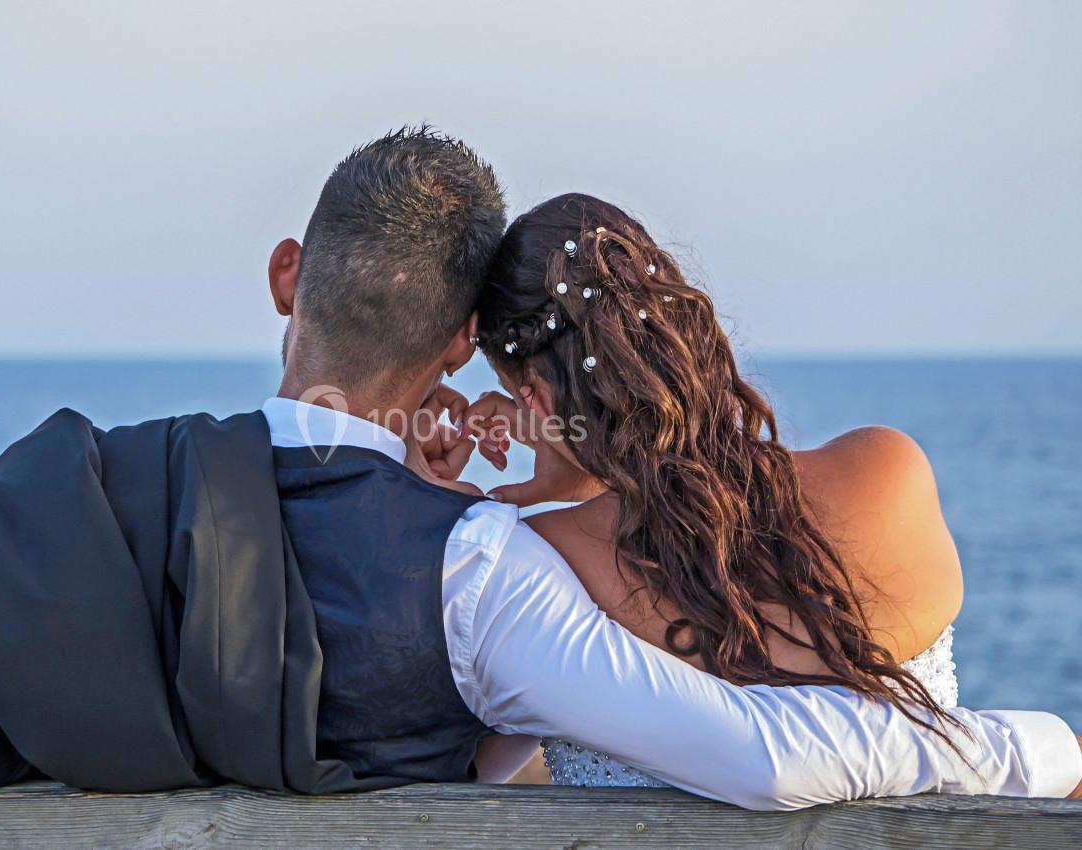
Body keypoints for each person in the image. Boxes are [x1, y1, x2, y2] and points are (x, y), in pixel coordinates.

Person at [0, 130, 1079, 850]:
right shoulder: (478, 569)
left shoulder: (73, 486)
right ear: (458, 348)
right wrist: (1041, 746)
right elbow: (753, 753)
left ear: (287, 273)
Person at [462, 191, 1082, 792]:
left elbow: (466, 766)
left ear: (536, 401)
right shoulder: (891, 473)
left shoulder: (547, 561)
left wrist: (573, 475)